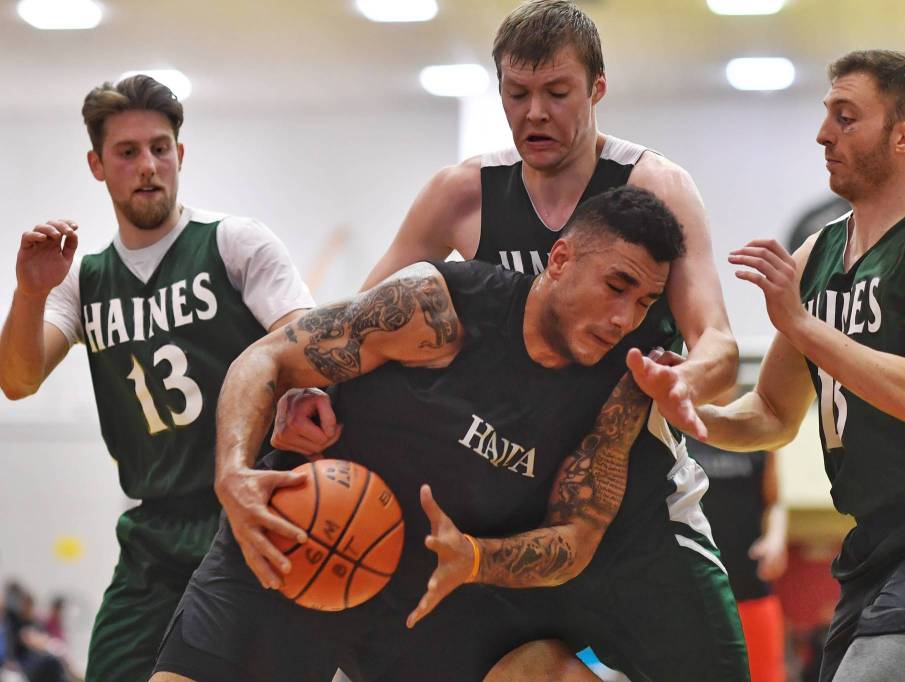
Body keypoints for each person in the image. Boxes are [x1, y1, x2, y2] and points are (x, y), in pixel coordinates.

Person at [271, 1, 748, 678]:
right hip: (506, 513)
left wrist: (682, 383)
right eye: (517, 94)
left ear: (597, 89)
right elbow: (357, 320)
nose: (535, 114)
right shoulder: (461, 196)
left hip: (632, 506)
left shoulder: (655, 187)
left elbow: (719, 346)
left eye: (557, 93)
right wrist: (311, 388)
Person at [151, 186, 682, 681]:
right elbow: (267, 359)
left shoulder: (613, 390)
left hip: (434, 587)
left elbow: (576, 538)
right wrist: (232, 474)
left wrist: (475, 557)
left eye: (643, 303)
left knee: (552, 671)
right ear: (561, 260)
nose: (623, 318)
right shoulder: (438, 307)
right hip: (302, 534)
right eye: (617, 286)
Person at [633, 50, 905, 682]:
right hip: (873, 539)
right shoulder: (819, 252)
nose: (823, 134)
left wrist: (804, 325)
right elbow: (771, 413)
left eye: (846, 118)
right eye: (827, 116)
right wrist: (689, 412)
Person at [0, 75, 314, 681]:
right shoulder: (83, 279)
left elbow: (310, 344)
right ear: (97, 165)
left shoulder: (233, 243)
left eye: (160, 147)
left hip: (249, 501)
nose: (148, 165)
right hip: (155, 527)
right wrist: (29, 292)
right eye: (127, 152)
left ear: (180, 154)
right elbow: (17, 380)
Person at [688, 431, 787, 682]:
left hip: (751, 586)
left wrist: (775, 537)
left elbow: (774, 502)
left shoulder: (757, 429)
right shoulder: (676, 431)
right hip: (694, 593)